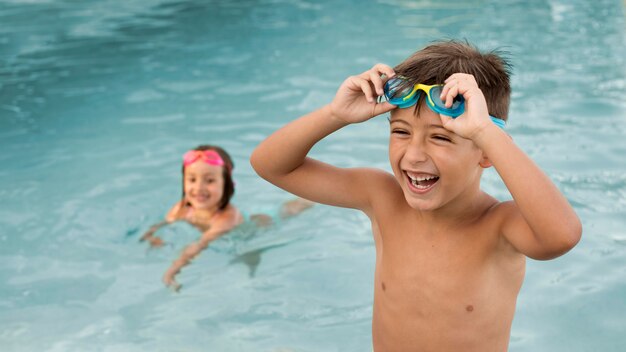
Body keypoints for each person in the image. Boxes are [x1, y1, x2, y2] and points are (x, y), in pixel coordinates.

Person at [250, 40, 582, 351]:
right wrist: (335, 115)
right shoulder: (382, 198)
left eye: (440, 138)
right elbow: (271, 166)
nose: (414, 155)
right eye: (401, 132)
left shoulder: (498, 227)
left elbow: (562, 236)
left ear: (486, 152)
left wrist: (484, 131)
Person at [141, 145, 313, 291]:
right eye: (192, 179)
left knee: (286, 212)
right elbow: (164, 223)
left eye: (209, 180)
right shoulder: (182, 208)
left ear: (227, 185)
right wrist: (152, 237)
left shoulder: (226, 218)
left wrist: (173, 270)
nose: (199, 188)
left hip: (257, 225)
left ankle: (310, 197)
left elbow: (199, 245)